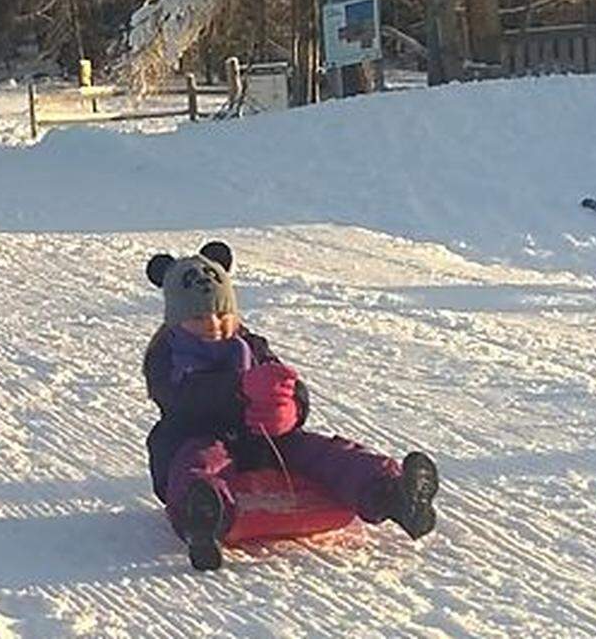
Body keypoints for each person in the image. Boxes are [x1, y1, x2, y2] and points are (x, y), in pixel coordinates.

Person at [144, 241, 439, 571]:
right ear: (176, 319)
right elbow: (180, 398)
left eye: (223, 313)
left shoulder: (249, 345)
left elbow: (290, 385)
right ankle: (203, 516)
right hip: (196, 436)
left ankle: (392, 493)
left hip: (262, 440)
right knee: (197, 463)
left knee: (325, 451)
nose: (214, 323)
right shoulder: (166, 356)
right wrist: (237, 388)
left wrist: (288, 410)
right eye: (199, 316)